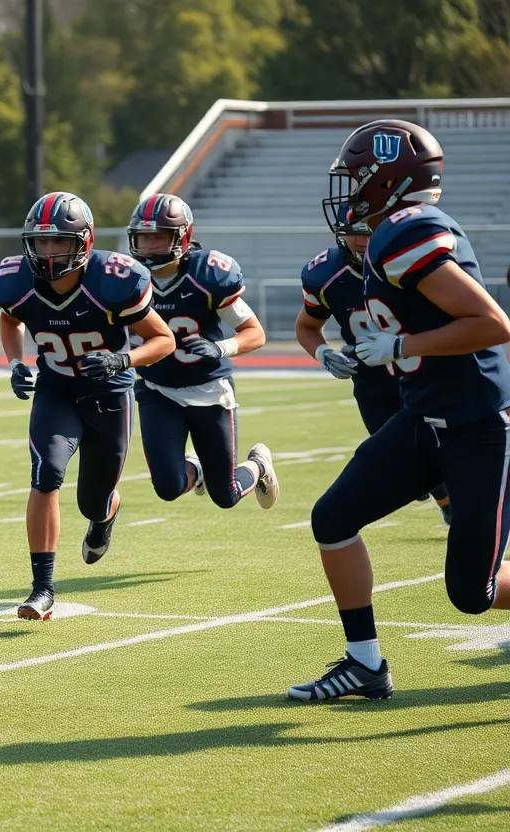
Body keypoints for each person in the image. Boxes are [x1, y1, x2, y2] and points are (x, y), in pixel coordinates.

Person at [291, 119, 510, 702]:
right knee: (332, 519)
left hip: (480, 427)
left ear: (388, 181)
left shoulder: (404, 233)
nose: (346, 193)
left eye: (357, 179)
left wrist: (401, 346)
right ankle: (364, 663)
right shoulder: (379, 239)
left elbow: (492, 324)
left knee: (472, 593)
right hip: (422, 417)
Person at [0, 191, 176, 620]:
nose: (50, 252)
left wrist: (121, 359)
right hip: (57, 391)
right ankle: (42, 588)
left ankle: (104, 515)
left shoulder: (114, 279)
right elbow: (9, 316)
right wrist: (15, 361)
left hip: (109, 395)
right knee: (46, 474)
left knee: (93, 500)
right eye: (42, 242)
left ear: (85, 242)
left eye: (60, 242)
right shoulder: (15, 281)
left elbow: (163, 340)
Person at [295, 211, 450, 524]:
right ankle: (429, 490)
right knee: (401, 458)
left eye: (370, 231)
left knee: (432, 452)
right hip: (373, 384)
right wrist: (323, 353)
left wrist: (400, 345)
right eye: (356, 232)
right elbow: (307, 325)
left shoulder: (409, 262)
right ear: (341, 233)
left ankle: (450, 506)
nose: (364, 241)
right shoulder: (325, 274)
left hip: (422, 370)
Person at [127, 193, 279, 510]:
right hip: (158, 389)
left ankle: (259, 465)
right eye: (143, 237)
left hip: (209, 390)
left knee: (225, 495)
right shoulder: (130, 280)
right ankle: (195, 471)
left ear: (183, 237)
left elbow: (255, 333)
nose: (149, 246)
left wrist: (218, 348)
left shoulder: (206, 274)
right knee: (168, 487)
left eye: (158, 237)